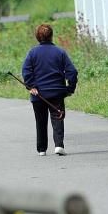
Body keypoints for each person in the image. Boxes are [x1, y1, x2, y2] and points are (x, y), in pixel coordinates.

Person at [21, 23, 78, 156]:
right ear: (52, 36)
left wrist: (31, 85)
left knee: (40, 121)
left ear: (37, 37)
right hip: (56, 92)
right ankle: (58, 145)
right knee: (58, 117)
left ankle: (42, 149)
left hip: (38, 94)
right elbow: (72, 72)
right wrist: (70, 88)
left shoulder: (32, 53)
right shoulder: (60, 52)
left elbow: (26, 71)